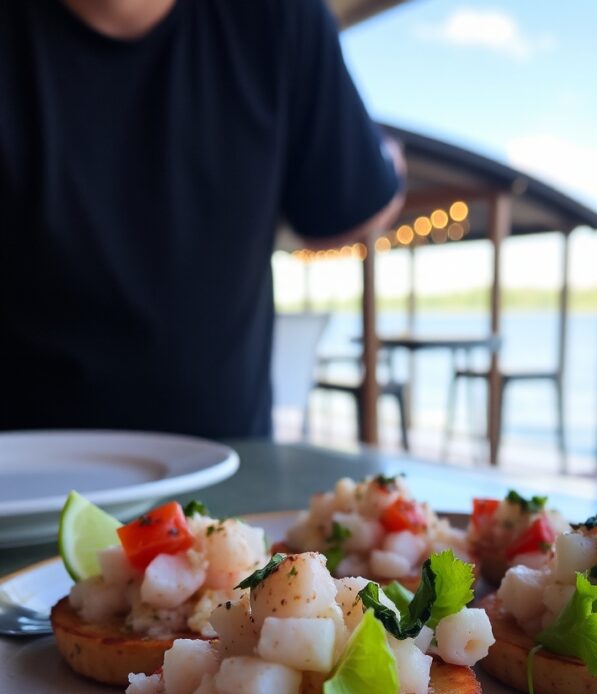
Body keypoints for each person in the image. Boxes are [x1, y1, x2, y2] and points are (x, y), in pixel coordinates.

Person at [0, 0, 404, 438]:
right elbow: (354, 209)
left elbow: (342, 208)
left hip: (229, 470)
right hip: (18, 473)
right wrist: (388, 163)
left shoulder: (283, 16)